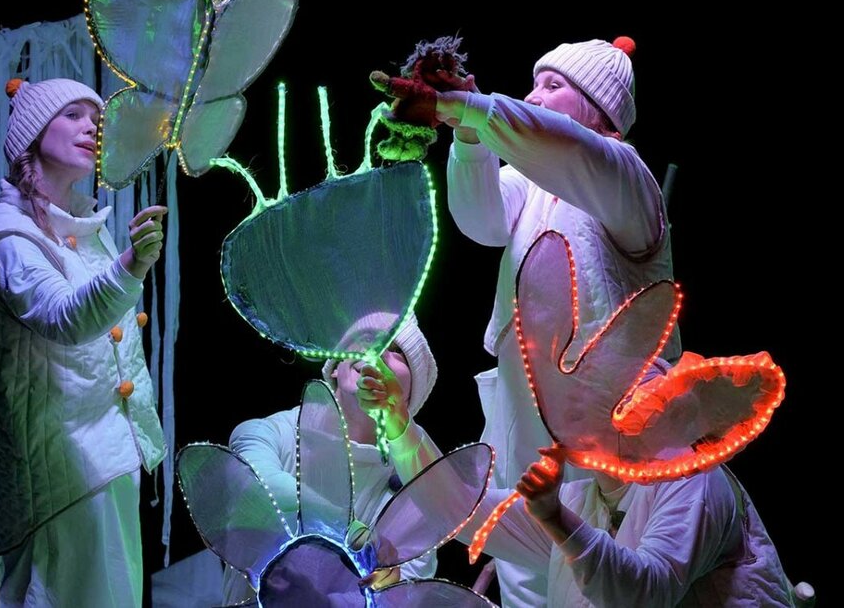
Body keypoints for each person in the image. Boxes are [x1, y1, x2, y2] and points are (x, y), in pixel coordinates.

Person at [421, 35, 680, 605]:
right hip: (524, 396)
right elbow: (481, 221)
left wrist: (477, 108)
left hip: (604, 410)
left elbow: (572, 151)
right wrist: (469, 133)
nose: (533, 96)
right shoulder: (531, 183)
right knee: (526, 550)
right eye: (533, 84)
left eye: (552, 85)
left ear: (598, 110)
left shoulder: (625, 177)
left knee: (594, 549)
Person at [356, 364, 795, 606]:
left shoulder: (693, 480)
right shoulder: (581, 499)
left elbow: (647, 593)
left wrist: (555, 519)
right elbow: (460, 509)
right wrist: (400, 426)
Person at [0, 78, 167, 606]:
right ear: (35, 133)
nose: (91, 128)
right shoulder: (10, 237)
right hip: (61, 476)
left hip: (106, 457)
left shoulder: (79, 224)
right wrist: (131, 265)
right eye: (73, 115)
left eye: (96, 120)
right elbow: (65, 317)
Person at [222, 313, 439, 603]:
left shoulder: (420, 493)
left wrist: (388, 588)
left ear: (410, 396)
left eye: (398, 351)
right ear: (336, 366)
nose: (377, 351)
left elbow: (409, 591)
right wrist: (358, 534)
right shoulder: (270, 434)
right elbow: (256, 487)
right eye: (366, 338)